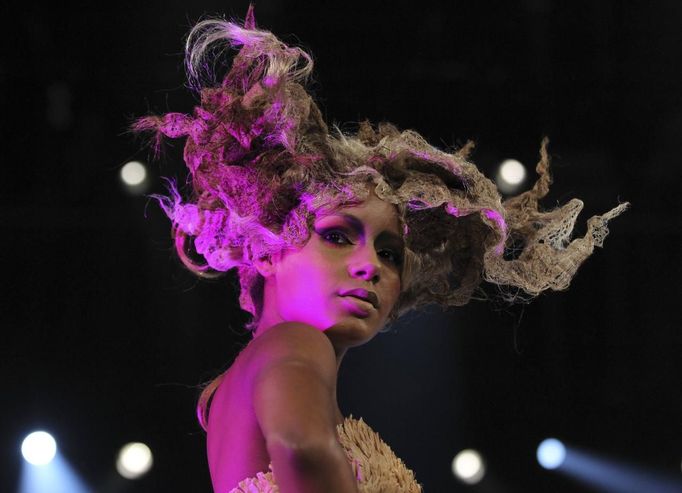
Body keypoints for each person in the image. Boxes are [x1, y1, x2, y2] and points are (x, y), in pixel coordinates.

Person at [134, 6, 628, 493]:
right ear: (266, 250)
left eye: (390, 254)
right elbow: (302, 447)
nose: (370, 265)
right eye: (336, 235)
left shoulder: (252, 378)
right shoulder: (294, 343)